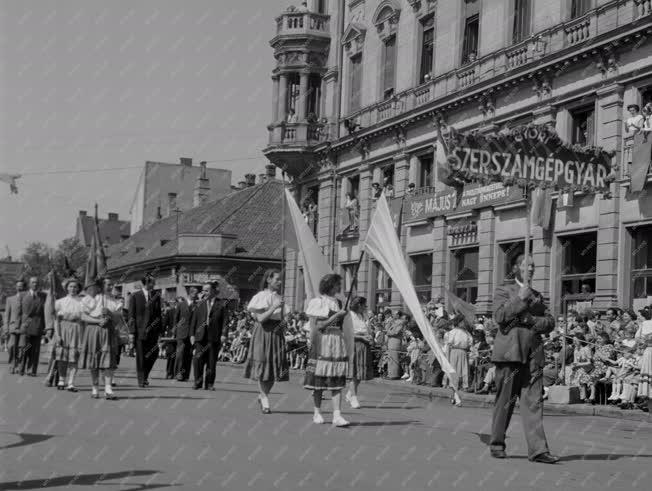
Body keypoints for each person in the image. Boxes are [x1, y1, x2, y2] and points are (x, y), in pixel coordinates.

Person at [490, 254, 558, 464]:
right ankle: (497, 444)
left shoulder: (537, 295)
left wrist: (531, 320)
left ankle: (538, 450)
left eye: (533, 266)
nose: (530, 269)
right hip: (510, 353)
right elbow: (500, 317)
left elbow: (549, 322)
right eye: (526, 265)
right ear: (516, 268)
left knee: (534, 403)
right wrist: (520, 298)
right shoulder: (504, 289)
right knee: (505, 402)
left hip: (533, 355)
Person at [304, 273, 351, 427]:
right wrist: (337, 315)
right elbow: (319, 325)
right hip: (323, 341)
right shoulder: (318, 302)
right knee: (320, 379)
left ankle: (337, 415)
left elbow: (341, 325)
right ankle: (317, 412)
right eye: (338, 284)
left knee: (337, 378)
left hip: (337, 341)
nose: (340, 287)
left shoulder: (339, 302)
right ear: (330, 285)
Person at [243, 269, 289, 413]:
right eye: (277, 279)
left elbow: (284, 319)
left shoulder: (280, 298)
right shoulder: (260, 296)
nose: (280, 282)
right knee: (263, 366)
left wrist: (284, 320)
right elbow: (261, 318)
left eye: (281, 279)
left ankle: (263, 395)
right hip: (263, 332)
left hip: (277, 333)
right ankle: (264, 398)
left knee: (274, 368)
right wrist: (274, 307)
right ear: (268, 280)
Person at [80, 277, 121, 399]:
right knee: (94, 360)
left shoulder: (114, 300)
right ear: (100, 285)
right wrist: (98, 320)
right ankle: (95, 387)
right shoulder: (90, 299)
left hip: (108, 331)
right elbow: (83, 316)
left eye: (111, 284)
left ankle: (108, 389)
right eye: (108, 284)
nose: (110, 287)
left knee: (108, 360)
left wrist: (109, 312)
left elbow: (118, 319)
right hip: (93, 330)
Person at [190, 281, 227, 391]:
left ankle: (209, 384)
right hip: (200, 337)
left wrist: (224, 334)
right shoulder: (199, 304)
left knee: (211, 362)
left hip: (214, 337)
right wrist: (192, 334)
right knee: (197, 361)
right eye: (203, 290)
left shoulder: (221, 304)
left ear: (213, 291)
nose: (204, 292)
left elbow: (225, 320)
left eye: (207, 290)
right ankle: (197, 382)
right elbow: (194, 320)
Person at [128, 274, 163, 388]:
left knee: (154, 354)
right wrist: (132, 332)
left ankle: (145, 375)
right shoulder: (135, 296)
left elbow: (159, 314)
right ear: (146, 283)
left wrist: (160, 331)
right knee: (141, 356)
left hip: (153, 331)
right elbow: (131, 316)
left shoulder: (156, 296)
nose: (154, 284)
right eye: (153, 282)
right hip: (140, 331)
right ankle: (141, 379)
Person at [52, 277, 85, 391]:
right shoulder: (60, 302)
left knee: (74, 358)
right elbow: (56, 320)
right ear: (66, 288)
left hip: (77, 330)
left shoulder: (82, 302)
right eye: (70, 286)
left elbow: (85, 319)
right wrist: (58, 334)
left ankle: (71, 382)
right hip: (63, 329)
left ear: (78, 288)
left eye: (75, 287)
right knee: (62, 357)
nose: (73, 289)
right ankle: (61, 380)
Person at [344, 296, 374, 409]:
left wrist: (370, 336)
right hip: (354, 344)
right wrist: (361, 338)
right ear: (359, 305)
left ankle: (349, 393)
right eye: (364, 305)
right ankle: (354, 398)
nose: (366, 307)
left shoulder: (363, 316)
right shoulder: (349, 316)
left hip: (364, 345)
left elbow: (368, 329)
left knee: (361, 373)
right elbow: (346, 334)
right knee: (354, 373)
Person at [19, 276, 47, 377]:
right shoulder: (23, 295)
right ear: (29, 284)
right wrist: (19, 325)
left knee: (35, 350)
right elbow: (19, 311)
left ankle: (32, 370)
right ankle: (21, 368)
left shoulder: (43, 295)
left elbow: (45, 311)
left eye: (37, 282)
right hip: (26, 325)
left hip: (38, 325)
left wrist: (45, 326)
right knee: (26, 348)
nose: (35, 284)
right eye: (33, 282)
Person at [174, 286, 199, 381]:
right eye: (195, 293)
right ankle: (178, 373)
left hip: (192, 334)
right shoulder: (181, 304)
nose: (197, 295)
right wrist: (175, 331)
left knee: (188, 355)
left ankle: (185, 375)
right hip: (181, 333)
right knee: (180, 354)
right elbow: (176, 318)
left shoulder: (197, 305)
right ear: (191, 293)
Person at [5, 279, 25, 373]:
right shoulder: (10, 299)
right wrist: (6, 328)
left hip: (24, 327)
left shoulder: (27, 298)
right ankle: (12, 363)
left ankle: (18, 365)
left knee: (22, 348)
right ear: (15, 287)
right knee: (11, 346)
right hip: (13, 327)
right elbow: (7, 315)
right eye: (18, 286)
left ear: (24, 287)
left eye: (21, 286)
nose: (19, 287)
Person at [386, 311, 404, 379]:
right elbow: (386, 329)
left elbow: (396, 332)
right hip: (390, 342)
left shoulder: (400, 322)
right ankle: (390, 374)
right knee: (390, 358)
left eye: (395, 314)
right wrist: (389, 322)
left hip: (395, 342)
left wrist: (389, 333)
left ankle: (395, 375)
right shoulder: (393, 322)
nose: (393, 315)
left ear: (398, 315)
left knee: (394, 359)